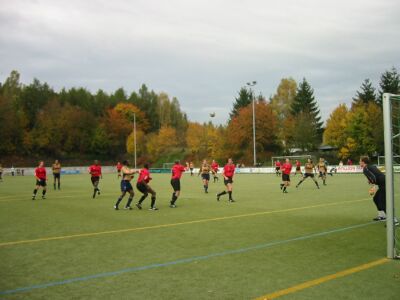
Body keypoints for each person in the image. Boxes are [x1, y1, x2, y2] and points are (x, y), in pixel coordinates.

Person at [360, 156, 399, 225]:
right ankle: (382, 216)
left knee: (382, 202)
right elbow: (376, 176)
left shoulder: (365, 169)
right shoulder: (371, 166)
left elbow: (373, 178)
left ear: (363, 162)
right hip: (384, 184)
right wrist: (371, 181)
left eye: (360, 161)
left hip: (385, 185)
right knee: (376, 199)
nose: (359, 162)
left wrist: (372, 186)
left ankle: (394, 220)